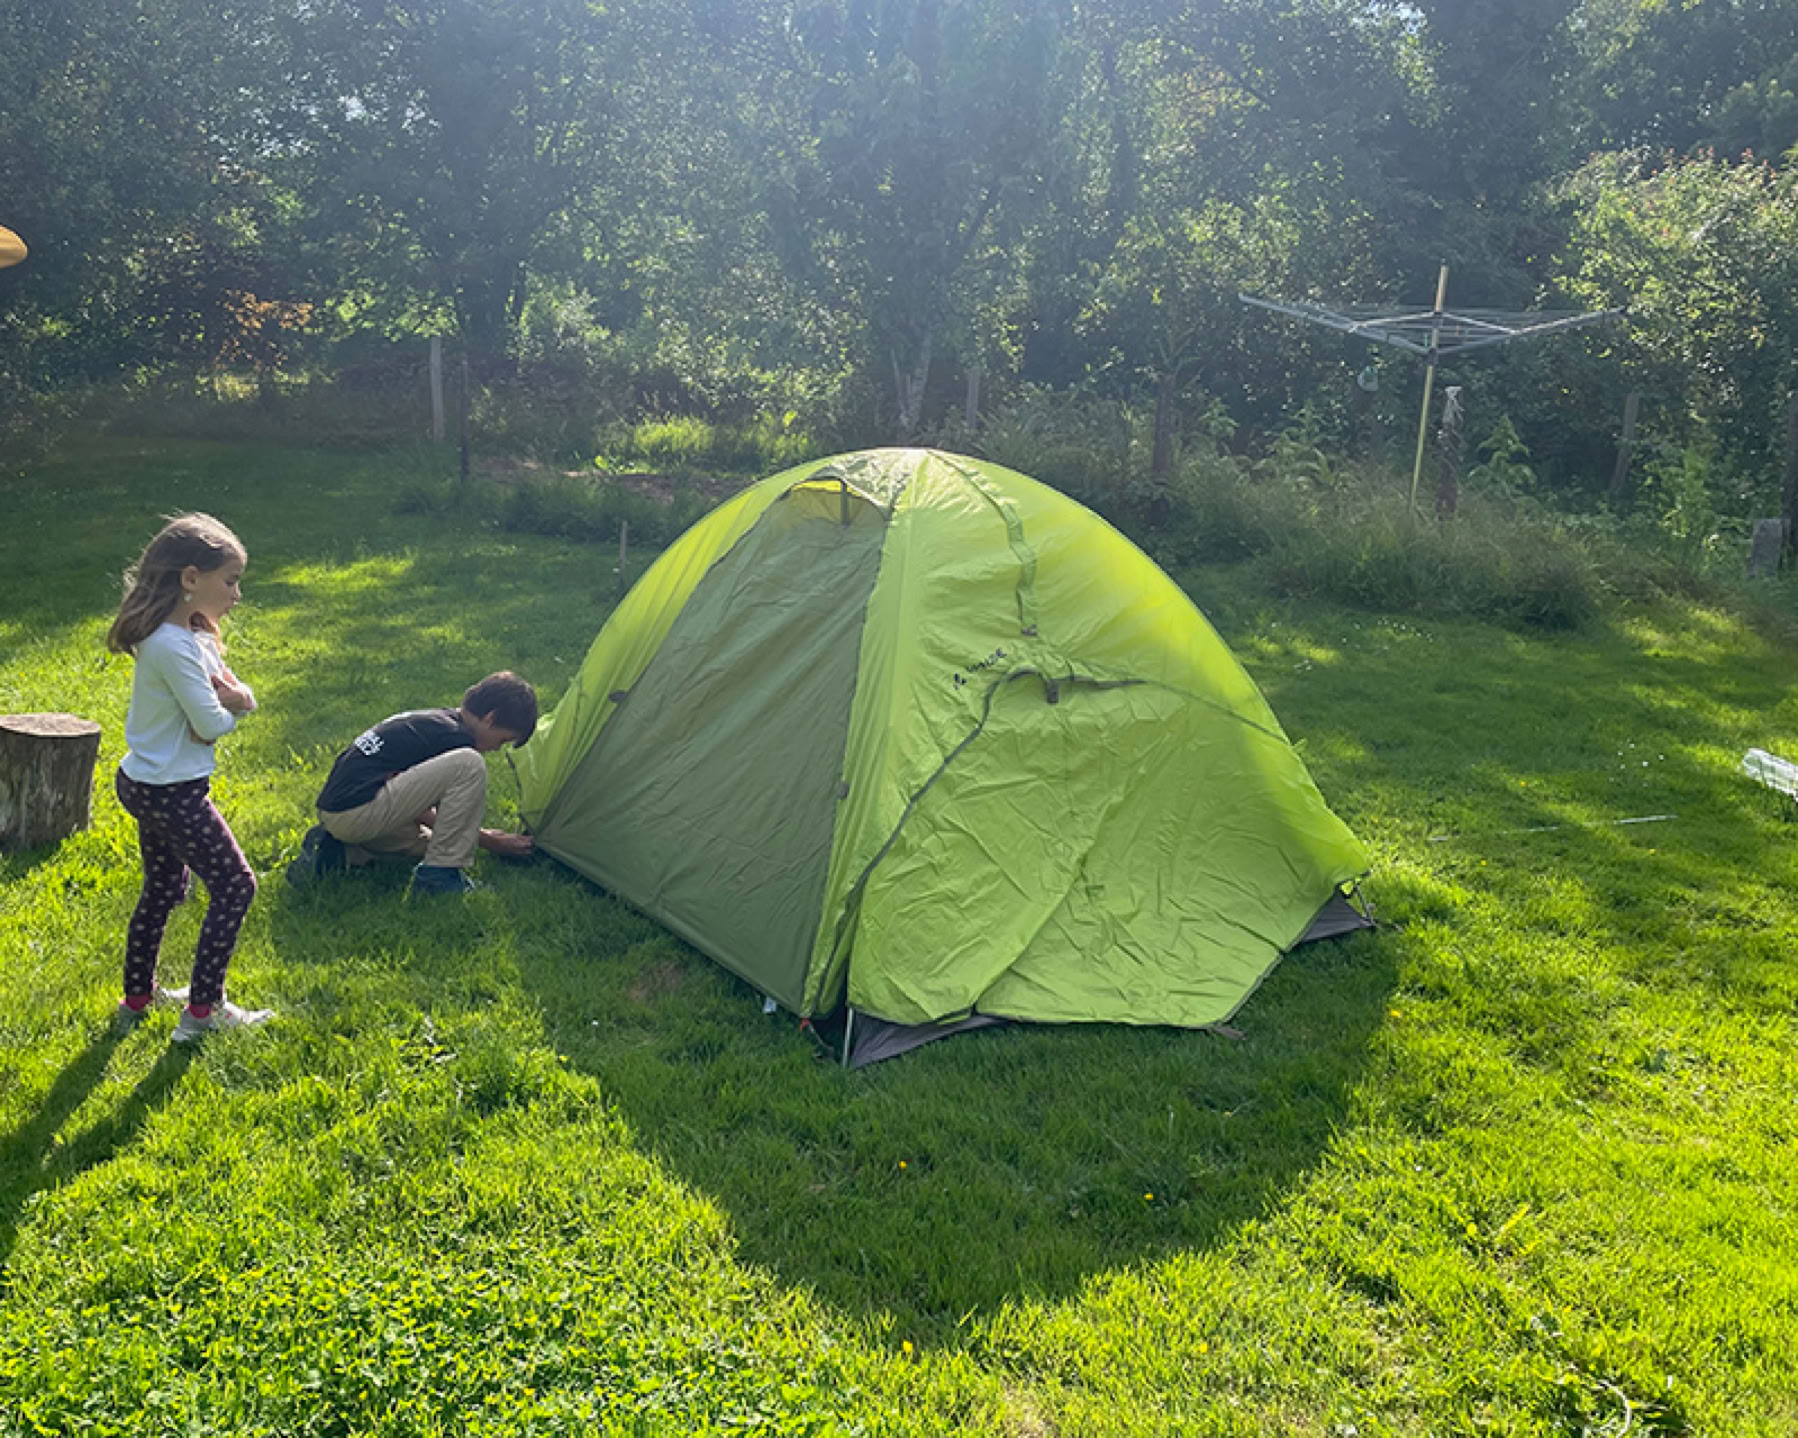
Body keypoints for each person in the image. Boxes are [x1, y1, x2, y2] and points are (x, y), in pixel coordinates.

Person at [106, 513, 272, 1042]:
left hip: (149, 782)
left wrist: (236, 697)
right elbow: (211, 722)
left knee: (163, 886)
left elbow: (228, 689)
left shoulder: (189, 636)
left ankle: (138, 997)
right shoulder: (170, 646)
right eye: (230, 581)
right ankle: (203, 1012)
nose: (237, 595)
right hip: (170, 791)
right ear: (191, 578)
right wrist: (236, 707)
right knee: (235, 886)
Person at [288, 672, 537, 896]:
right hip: (356, 812)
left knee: (430, 842)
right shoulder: (456, 738)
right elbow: (418, 808)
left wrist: (473, 836)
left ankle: (334, 854)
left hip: (340, 811)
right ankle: (438, 878)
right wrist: (488, 841)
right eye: (502, 740)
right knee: (469, 764)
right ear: (490, 718)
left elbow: (411, 799)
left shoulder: (439, 722)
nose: (496, 748)